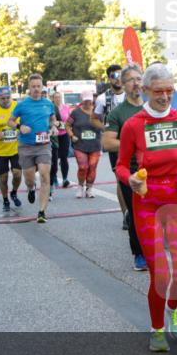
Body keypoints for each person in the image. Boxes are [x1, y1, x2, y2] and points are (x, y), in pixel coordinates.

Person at [116, 64, 177, 352]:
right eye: (158, 91)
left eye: (169, 91)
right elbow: (121, 165)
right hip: (147, 202)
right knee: (160, 274)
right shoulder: (133, 125)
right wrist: (131, 179)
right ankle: (157, 327)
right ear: (145, 90)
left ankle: (173, 309)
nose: (164, 96)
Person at [103, 65, 148, 271]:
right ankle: (139, 253)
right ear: (123, 83)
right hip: (131, 171)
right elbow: (108, 143)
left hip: (156, 169)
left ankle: (154, 246)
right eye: (132, 80)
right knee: (137, 213)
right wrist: (133, 142)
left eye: (139, 79)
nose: (137, 83)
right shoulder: (118, 113)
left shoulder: (152, 107)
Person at [8, 74, 59, 223]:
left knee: (44, 175)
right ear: (29, 88)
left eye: (38, 86)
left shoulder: (48, 104)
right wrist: (19, 126)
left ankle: (42, 212)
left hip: (43, 145)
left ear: (42, 87)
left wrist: (53, 127)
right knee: (29, 178)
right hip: (26, 146)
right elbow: (9, 121)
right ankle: (31, 188)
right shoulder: (22, 105)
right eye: (33, 87)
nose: (36, 89)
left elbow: (52, 119)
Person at [94, 64, 129, 220]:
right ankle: (126, 215)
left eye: (121, 75)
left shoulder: (132, 95)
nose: (119, 79)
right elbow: (94, 119)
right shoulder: (103, 98)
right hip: (115, 144)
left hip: (133, 141)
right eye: (115, 76)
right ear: (109, 78)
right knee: (121, 179)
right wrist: (105, 129)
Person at [67, 90, 102, 197]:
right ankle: (80, 186)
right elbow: (67, 125)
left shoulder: (98, 112)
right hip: (80, 145)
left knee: (92, 166)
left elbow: (104, 126)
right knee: (83, 167)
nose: (88, 102)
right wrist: (72, 135)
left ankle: (89, 188)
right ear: (82, 100)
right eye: (85, 100)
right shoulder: (75, 112)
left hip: (95, 145)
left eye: (89, 100)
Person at [50, 90, 72, 188]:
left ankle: (65, 179)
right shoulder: (51, 108)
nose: (58, 99)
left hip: (64, 135)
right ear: (53, 99)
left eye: (59, 97)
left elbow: (70, 120)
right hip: (54, 136)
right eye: (56, 97)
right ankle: (54, 177)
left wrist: (69, 127)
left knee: (64, 157)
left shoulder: (66, 108)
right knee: (54, 159)